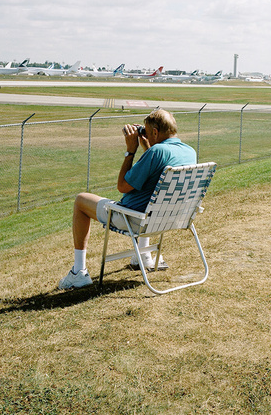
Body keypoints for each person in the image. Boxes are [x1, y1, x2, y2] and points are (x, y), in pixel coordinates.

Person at [58, 109, 197, 290]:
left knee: (81, 200)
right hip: (170, 219)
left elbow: (122, 186)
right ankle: (145, 255)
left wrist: (130, 151)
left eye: (146, 132)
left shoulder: (156, 152)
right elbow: (155, 177)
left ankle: (78, 272)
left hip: (133, 219)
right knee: (147, 199)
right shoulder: (189, 152)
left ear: (154, 132)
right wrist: (148, 148)